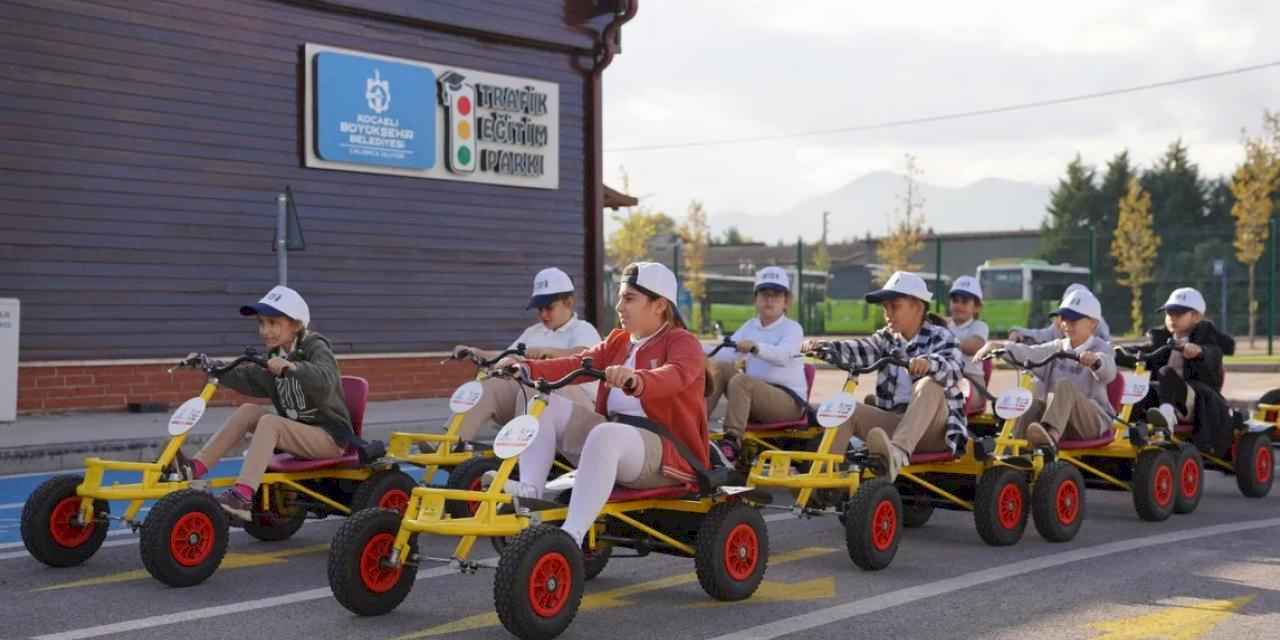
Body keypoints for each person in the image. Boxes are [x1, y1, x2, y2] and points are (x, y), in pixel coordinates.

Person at [501, 262, 708, 550]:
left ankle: (570, 538)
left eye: (630, 298)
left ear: (659, 305)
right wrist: (527, 368)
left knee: (605, 433)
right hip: (616, 442)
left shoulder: (682, 342)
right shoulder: (618, 341)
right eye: (621, 297)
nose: (620, 305)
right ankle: (531, 494)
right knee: (540, 403)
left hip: (667, 453)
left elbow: (676, 375)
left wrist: (638, 379)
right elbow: (577, 363)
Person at [169, 286, 355, 521]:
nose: (265, 331)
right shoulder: (276, 355)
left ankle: (243, 496)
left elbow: (326, 379)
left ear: (296, 325)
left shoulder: (314, 345)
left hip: (329, 437)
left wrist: (293, 368)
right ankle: (195, 468)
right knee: (248, 411)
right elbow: (249, 378)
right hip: (298, 433)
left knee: (269, 422)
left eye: (273, 323)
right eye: (261, 323)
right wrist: (209, 365)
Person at [803, 272, 969, 482]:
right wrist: (823, 348)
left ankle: (897, 455)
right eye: (885, 308)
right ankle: (823, 480)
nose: (888, 313)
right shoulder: (886, 339)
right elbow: (860, 349)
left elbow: (954, 368)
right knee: (848, 409)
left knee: (929, 384)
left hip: (935, 432)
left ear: (917, 306)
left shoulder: (942, 336)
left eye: (895, 306)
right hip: (898, 422)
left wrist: (929, 363)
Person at [451, 267, 601, 443]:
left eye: (549, 308)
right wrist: (475, 352)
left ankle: (518, 450)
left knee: (534, 381)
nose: (543, 315)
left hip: (578, 410)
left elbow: (584, 356)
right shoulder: (533, 332)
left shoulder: (583, 329)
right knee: (488, 386)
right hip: (534, 401)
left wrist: (549, 352)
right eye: (539, 309)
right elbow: (507, 356)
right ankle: (450, 443)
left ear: (569, 302)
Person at [982, 288, 1117, 451]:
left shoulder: (1102, 348)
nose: (1067, 324)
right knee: (1031, 404)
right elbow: (1031, 353)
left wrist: (1096, 362)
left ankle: (1050, 437)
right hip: (1062, 422)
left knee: (1065, 386)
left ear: (1093, 323)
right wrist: (1001, 348)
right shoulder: (1058, 346)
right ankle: (1015, 452)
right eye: (1064, 319)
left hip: (1091, 423)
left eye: (1074, 319)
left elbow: (1109, 370)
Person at [704, 266, 806, 462]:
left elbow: (783, 355)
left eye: (776, 295)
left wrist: (755, 347)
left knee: (741, 381)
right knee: (721, 368)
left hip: (789, 402)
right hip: (755, 396)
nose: (769, 299)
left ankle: (731, 441)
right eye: (764, 294)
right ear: (755, 300)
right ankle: (694, 427)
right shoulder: (750, 326)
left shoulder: (793, 329)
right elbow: (725, 352)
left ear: (786, 302)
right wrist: (691, 345)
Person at [1118, 287, 1237, 456]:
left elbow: (1213, 353)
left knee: (1166, 372)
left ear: (1196, 316)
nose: (1172, 318)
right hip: (1163, 396)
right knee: (1140, 385)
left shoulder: (1207, 337)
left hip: (1194, 401)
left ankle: (1167, 417)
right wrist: (1115, 350)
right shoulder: (1161, 338)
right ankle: (1128, 430)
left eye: (1178, 314)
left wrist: (1199, 351)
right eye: (1169, 314)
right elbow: (1143, 350)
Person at [1009, 283, 1112, 344]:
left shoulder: (1100, 330)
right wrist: (1018, 331)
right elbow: (1044, 335)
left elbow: (1107, 352)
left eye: (1074, 319)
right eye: (1066, 316)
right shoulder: (1060, 324)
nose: (1067, 323)